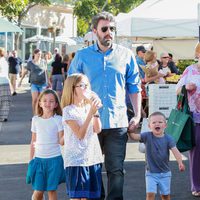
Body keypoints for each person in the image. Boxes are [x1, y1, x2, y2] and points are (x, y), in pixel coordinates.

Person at [68, 11, 141, 200]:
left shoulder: (126, 55)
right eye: (105, 29)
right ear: (94, 31)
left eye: (112, 29)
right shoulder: (82, 57)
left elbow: (134, 87)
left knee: (116, 170)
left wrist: (138, 114)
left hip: (118, 122)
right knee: (92, 168)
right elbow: (70, 87)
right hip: (90, 122)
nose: (109, 32)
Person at [61, 73, 103, 199]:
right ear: (72, 88)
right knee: (78, 197)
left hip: (92, 157)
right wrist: (91, 113)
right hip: (76, 160)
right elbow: (80, 134)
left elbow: (97, 129)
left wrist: (95, 111)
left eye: (87, 85)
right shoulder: (68, 110)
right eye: (82, 85)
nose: (86, 88)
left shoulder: (88, 107)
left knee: (89, 197)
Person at [129, 111, 185, 200]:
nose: (157, 124)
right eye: (154, 122)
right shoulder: (147, 136)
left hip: (165, 173)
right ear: (149, 126)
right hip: (150, 173)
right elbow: (134, 137)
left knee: (165, 196)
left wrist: (180, 162)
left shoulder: (168, 138)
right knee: (150, 195)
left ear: (165, 125)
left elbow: (176, 151)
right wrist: (130, 131)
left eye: (160, 122)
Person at [26, 89, 65, 200]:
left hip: (54, 159)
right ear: (40, 103)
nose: (48, 103)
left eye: (51, 101)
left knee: (51, 190)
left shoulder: (59, 120)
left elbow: (61, 141)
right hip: (38, 160)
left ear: (56, 104)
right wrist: (30, 160)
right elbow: (33, 140)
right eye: (45, 101)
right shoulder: (35, 120)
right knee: (38, 191)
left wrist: (68, 130)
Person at [176, 42, 200, 197]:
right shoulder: (190, 70)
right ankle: (196, 185)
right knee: (196, 153)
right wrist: (186, 88)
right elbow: (177, 90)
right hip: (195, 117)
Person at [18, 49, 49, 115]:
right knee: (35, 99)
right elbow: (25, 72)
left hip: (42, 83)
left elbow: (46, 72)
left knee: (41, 100)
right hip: (34, 83)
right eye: (38, 54)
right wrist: (20, 81)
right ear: (34, 54)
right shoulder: (30, 63)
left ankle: (41, 114)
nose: (39, 56)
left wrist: (48, 81)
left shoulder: (43, 62)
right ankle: (34, 114)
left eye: (40, 54)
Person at [0, 47, 11, 122]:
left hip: (3, 81)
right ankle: (4, 116)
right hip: (5, 82)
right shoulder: (4, 61)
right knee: (6, 100)